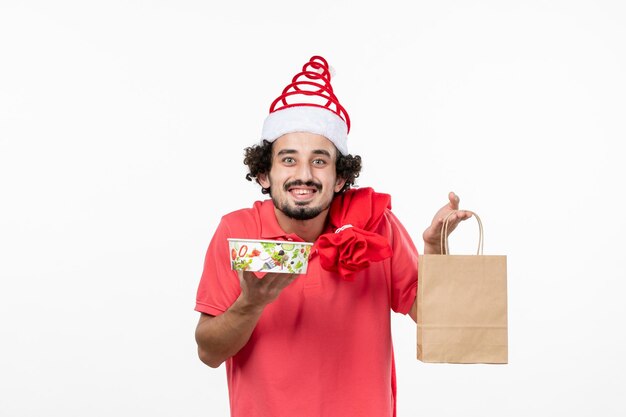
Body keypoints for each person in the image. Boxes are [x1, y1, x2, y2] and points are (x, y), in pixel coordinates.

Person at [194, 55, 471, 417]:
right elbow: (209, 353)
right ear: (265, 174)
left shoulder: (375, 225)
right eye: (288, 160)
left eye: (320, 161)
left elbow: (442, 325)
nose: (305, 174)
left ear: (340, 178)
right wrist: (251, 303)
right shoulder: (238, 232)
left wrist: (434, 250)